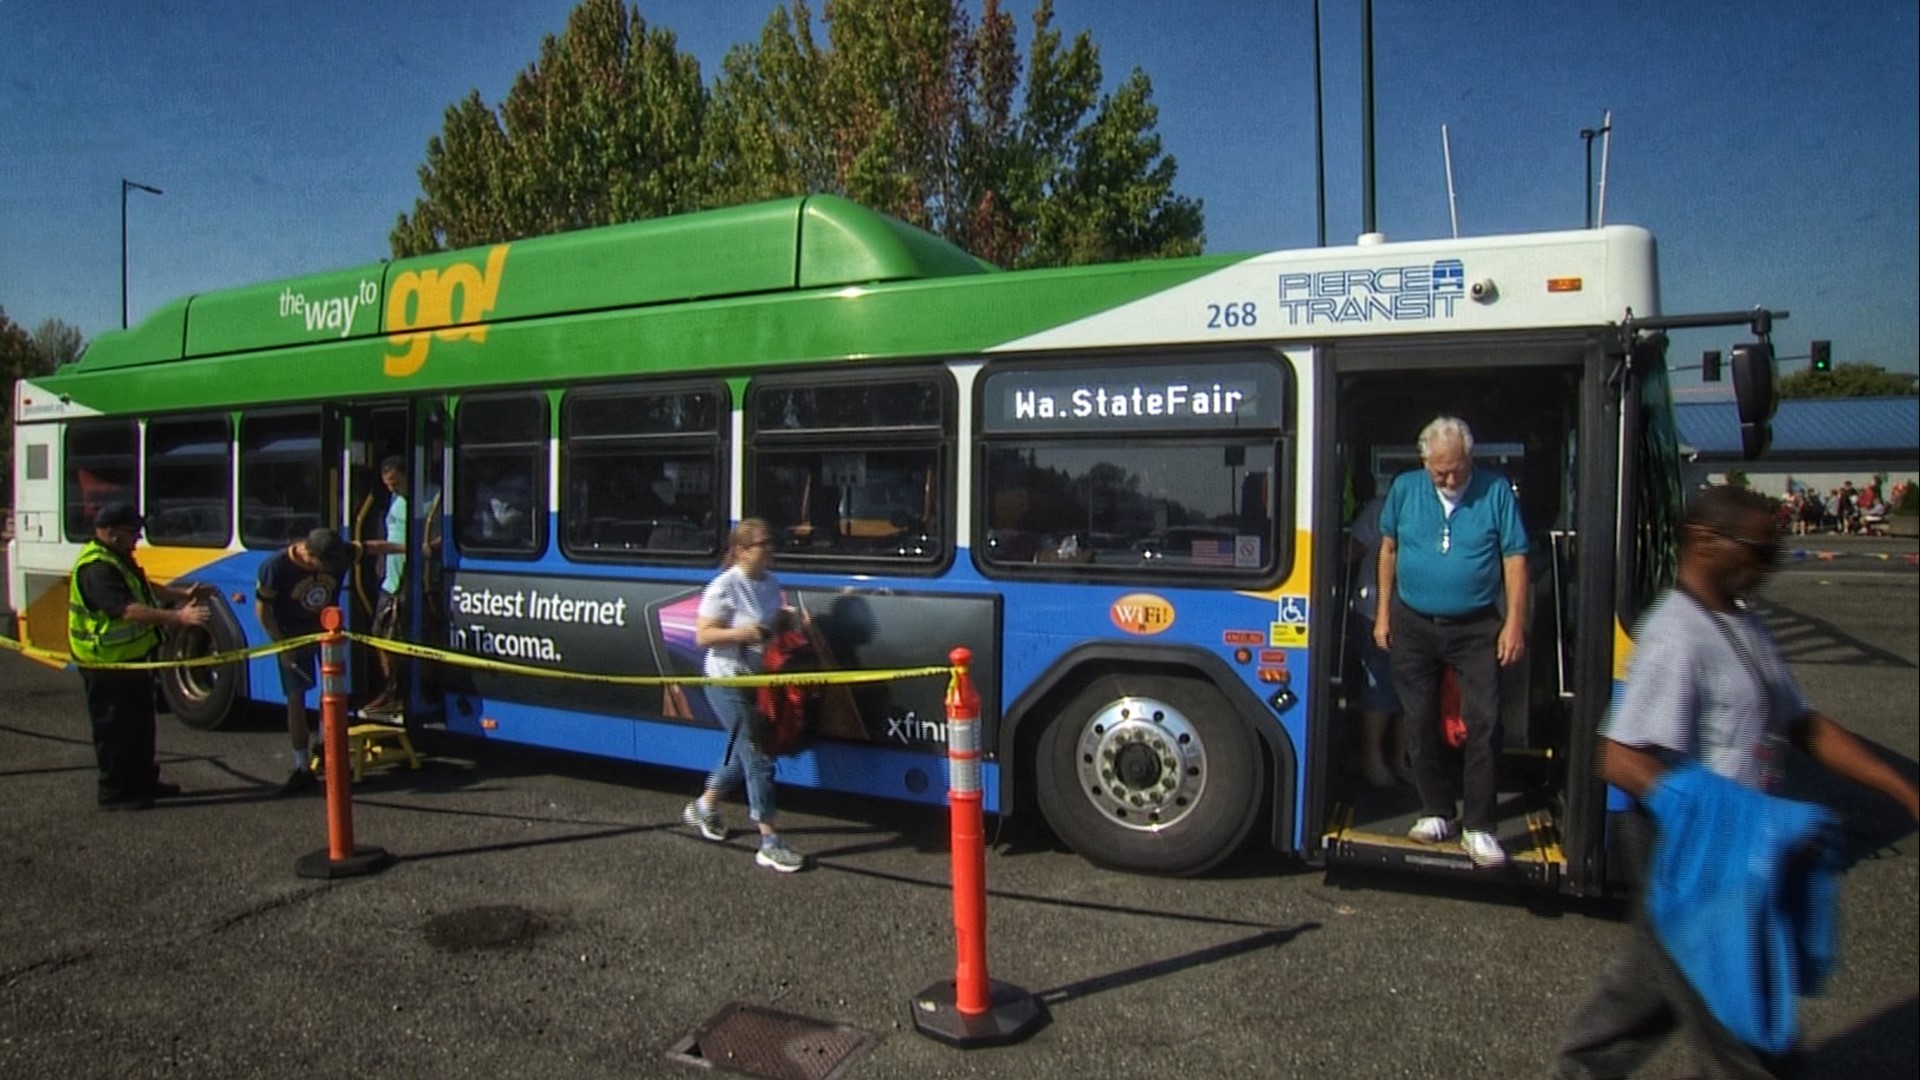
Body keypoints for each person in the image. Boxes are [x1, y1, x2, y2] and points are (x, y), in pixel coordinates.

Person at [1551, 485, 1920, 1079]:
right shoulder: (1674, 634)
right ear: (1705, 543)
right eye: (1758, 549)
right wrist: (1715, 817)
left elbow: (1805, 727)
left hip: (1734, 849)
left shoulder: (1744, 627)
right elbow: (1620, 759)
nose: (1766, 565)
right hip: (1694, 851)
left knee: (1649, 992)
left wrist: (1906, 792)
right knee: (1740, 1027)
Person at [1372, 416, 1528, 867]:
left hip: (1477, 623)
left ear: (1469, 459)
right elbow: (1389, 549)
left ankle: (1480, 825)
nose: (1449, 478)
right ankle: (1435, 810)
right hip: (1414, 620)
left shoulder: (1494, 491)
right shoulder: (1405, 489)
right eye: (1439, 471)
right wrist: (1383, 613)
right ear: (1425, 463)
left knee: (1484, 722)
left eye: (1456, 468)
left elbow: (1514, 558)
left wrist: (1514, 622)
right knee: (1418, 721)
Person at [681, 518, 808, 873]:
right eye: (763, 544)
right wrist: (742, 633)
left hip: (758, 679)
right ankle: (769, 841)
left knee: (743, 752)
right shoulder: (724, 586)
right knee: (759, 755)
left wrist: (786, 621)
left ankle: (704, 806)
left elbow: (770, 623)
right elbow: (703, 636)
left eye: (772, 543)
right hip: (727, 680)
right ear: (742, 550)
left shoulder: (770, 582)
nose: (771, 550)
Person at [68, 503, 213, 811]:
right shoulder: (96, 568)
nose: (137, 537)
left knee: (140, 727)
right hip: (106, 664)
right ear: (111, 532)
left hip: (131, 660)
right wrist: (178, 618)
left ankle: (143, 781)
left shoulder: (117, 558)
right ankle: (116, 792)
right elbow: (127, 609)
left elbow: (142, 590)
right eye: (132, 531)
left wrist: (180, 595)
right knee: (115, 731)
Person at [255, 527, 365, 795]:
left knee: (332, 694)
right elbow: (262, 610)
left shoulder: (340, 553)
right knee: (296, 697)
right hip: (292, 636)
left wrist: (415, 549)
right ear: (308, 553)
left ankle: (328, 751)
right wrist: (281, 644)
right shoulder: (275, 567)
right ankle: (302, 767)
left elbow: (373, 547)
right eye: (323, 564)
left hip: (326, 633)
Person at [1346, 478, 1406, 788]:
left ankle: (1400, 759)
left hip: (1414, 616)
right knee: (1380, 686)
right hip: (1374, 612)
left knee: (1409, 692)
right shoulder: (1380, 509)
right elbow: (1352, 551)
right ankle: (1374, 759)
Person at [362, 457, 409, 718]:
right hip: (390, 579)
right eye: (387, 483)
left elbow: (436, 539)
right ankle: (391, 689)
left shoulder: (430, 498)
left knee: (397, 638)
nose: (392, 488)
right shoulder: (395, 500)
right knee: (380, 635)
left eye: (395, 482)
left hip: (409, 580)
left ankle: (399, 693)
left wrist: (407, 550)